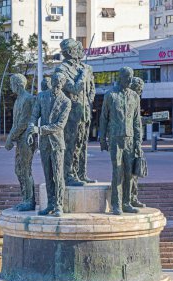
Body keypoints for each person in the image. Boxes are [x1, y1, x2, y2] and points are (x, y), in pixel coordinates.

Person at [27, 72, 71, 217]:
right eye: (55, 80)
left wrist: (39, 130)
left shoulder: (66, 101)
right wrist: (31, 129)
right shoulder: (41, 96)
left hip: (57, 144)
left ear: (63, 84)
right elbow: (34, 115)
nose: (57, 83)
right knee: (48, 175)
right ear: (51, 81)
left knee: (58, 175)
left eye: (60, 81)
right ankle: (50, 204)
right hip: (45, 144)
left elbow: (60, 125)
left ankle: (59, 205)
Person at [100, 67, 142, 215]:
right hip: (115, 138)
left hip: (130, 139)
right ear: (120, 77)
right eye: (127, 78)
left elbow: (137, 121)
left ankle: (126, 202)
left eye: (131, 78)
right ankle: (116, 204)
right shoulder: (110, 95)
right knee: (117, 171)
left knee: (129, 173)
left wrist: (138, 142)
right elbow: (104, 118)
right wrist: (102, 138)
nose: (130, 81)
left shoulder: (134, 96)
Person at [55, 38, 86, 186]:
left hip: (80, 112)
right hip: (69, 114)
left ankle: (78, 172)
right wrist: (83, 76)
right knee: (70, 144)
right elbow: (73, 89)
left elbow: (87, 92)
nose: (78, 51)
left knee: (79, 144)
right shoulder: (62, 70)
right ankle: (68, 174)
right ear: (69, 52)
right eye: (75, 49)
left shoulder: (78, 67)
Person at [5, 73, 36, 211]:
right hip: (19, 140)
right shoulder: (18, 100)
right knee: (18, 170)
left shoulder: (29, 99)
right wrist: (10, 137)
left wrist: (11, 137)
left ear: (17, 84)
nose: (10, 87)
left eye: (12, 84)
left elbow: (23, 122)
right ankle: (25, 198)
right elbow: (15, 123)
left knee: (25, 169)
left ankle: (30, 200)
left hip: (27, 139)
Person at [72, 41, 96, 183]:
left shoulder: (88, 68)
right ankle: (73, 173)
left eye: (81, 50)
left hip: (85, 109)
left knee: (83, 144)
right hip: (74, 111)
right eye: (78, 50)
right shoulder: (69, 69)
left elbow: (92, 87)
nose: (81, 52)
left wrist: (89, 100)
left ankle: (83, 173)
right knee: (75, 144)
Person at [130, 76, 146, 208]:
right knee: (128, 173)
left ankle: (133, 197)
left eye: (141, 90)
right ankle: (127, 199)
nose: (139, 92)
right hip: (127, 140)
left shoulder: (136, 99)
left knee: (135, 173)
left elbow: (137, 121)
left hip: (136, 141)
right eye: (138, 89)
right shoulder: (131, 98)